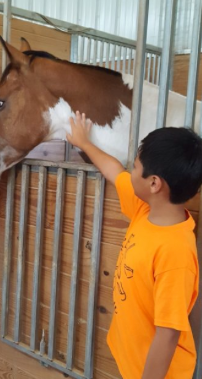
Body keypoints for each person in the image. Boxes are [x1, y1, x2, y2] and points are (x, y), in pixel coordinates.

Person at [67, 112, 202, 379]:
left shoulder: (176, 252)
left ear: (154, 183)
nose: (132, 171)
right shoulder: (146, 209)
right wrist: (85, 143)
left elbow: (168, 333)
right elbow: (114, 171)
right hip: (133, 359)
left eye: (137, 167)